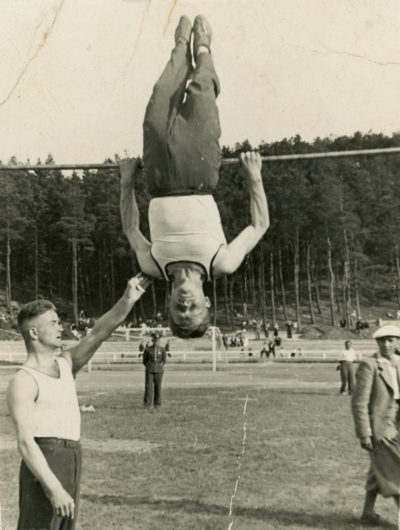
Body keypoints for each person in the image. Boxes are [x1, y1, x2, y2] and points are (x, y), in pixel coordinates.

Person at [120, 15, 269, 339]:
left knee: (162, 95)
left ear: (169, 306)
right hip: (198, 175)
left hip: (158, 181)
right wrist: (253, 177)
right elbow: (259, 225)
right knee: (201, 94)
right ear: (207, 301)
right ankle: (202, 47)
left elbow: (131, 227)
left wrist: (127, 182)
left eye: (179, 310)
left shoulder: (153, 266)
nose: (186, 305)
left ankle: (180, 46)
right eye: (194, 309)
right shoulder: (222, 263)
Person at [6, 273, 150, 530]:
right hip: (44, 460)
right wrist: (54, 488)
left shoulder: (66, 363)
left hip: (72, 456)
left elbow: (98, 334)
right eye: (54, 323)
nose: (61, 327)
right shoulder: (24, 380)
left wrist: (128, 300)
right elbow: (26, 443)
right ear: (34, 332)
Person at [351, 325, 400, 525]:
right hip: (380, 428)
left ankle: (367, 513)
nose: (386, 345)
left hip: (397, 424)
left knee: (378, 469)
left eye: (390, 340)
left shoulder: (399, 362)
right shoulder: (369, 364)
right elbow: (359, 402)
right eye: (382, 341)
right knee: (396, 470)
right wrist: (364, 433)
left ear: (397, 341)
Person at [142, 331, 167, 409]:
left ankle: (157, 404)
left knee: (158, 387)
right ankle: (147, 404)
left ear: (159, 340)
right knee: (148, 387)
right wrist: (149, 366)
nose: (156, 341)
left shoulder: (162, 349)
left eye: (157, 340)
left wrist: (159, 366)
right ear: (152, 340)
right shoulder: (148, 349)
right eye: (154, 340)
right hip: (149, 370)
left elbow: (164, 360)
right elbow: (144, 361)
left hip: (159, 371)